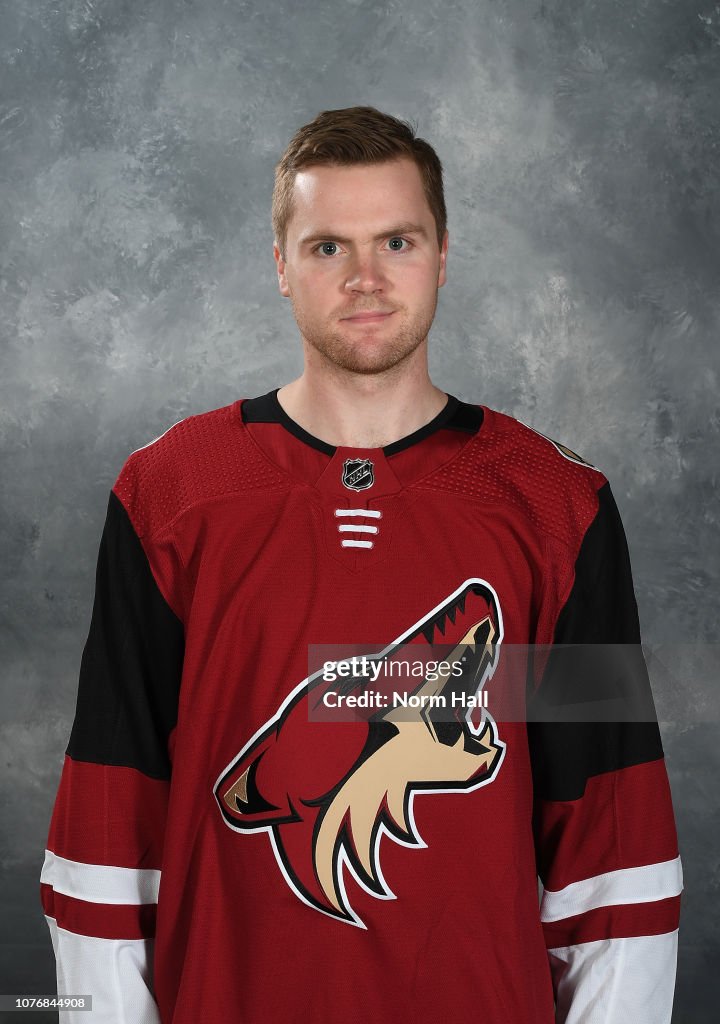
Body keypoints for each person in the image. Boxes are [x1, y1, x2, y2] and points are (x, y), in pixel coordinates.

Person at [41, 105, 682, 1023]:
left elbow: (610, 843)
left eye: (398, 240)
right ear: (280, 267)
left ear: (444, 254)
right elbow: (110, 820)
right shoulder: (170, 495)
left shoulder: (556, 507)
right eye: (328, 248)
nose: (368, 279)